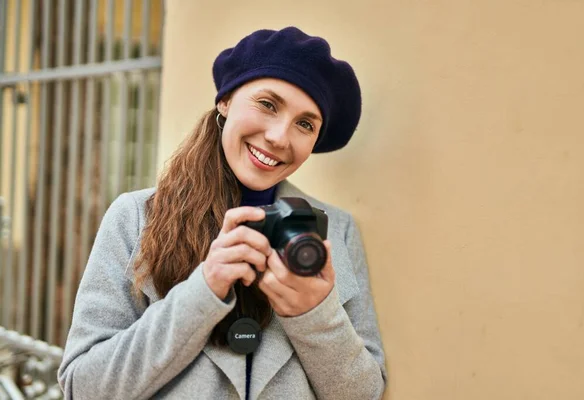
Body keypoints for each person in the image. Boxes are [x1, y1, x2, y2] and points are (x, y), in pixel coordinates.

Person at [58, 26, 387, 399]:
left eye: (305, 124)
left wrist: (313, 316)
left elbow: (364, 394)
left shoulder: (335, 232)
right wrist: (203, 291)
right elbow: (82, 387)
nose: (280, 137)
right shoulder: (136, 217)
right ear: (226, 101)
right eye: (267, 104)